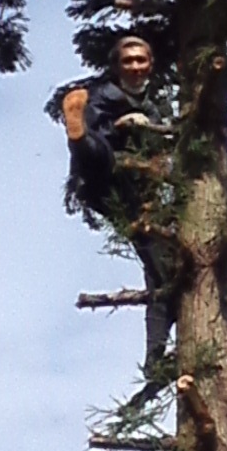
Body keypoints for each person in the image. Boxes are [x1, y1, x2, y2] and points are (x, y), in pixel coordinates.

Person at [62, 35, 175, 366]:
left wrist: (154, 131)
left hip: (137, 193)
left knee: (160, 271)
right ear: (117, 66)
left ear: (150, 65)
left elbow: (164, 144)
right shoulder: (102, 96)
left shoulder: (155, 106)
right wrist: (120, 126)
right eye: (128, 61)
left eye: (141, 60)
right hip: (101, 178)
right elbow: (103, 131)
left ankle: (155, 359)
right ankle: (78, 138)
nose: (135, 67)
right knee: (99, 154)